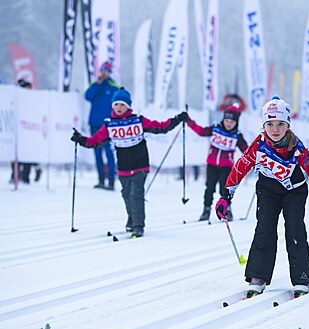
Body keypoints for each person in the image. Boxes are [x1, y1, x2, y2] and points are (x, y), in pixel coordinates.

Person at [215, 96, 309, 299]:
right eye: (269, 124)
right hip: (268, 189)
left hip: (294, 190)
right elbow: (240, 168)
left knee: (294, 229)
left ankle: (302, 278)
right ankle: (257, 277)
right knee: (264, 229)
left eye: (280, 124)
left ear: (287, 125)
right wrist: (226, 196)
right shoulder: (258, 145)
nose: (275, 129)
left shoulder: (296, 146)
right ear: (263, 125)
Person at [71, 88, 188, 237]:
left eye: (122, 105)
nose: (119, 108)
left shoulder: (138, 120)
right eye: (116, 104)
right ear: (112, 106)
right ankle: (132, 219)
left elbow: (160, 127)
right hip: (123, 168)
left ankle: (138, 225)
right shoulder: (110, 125)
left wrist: (177, 119)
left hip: (140, 165)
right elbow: (94, 141)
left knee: (135, 195)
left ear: (128, 106)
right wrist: (80, 139)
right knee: (126, 195)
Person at [186, 106, 248, 222]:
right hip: (212, 165)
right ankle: (206, 209)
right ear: (223, 120)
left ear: (236, 123)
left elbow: (246, 150)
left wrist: (259, 154)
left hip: (226, 166)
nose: (229, 124)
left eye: (232, 122)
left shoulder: (237, 135)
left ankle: (227, 209)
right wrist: (188, 121)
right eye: (227, 121)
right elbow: (201, 131)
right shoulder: (215, 129)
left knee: (224, 190)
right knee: (209, 188)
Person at [85, 62, 119, 190]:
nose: (103, 73)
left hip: (108, 125)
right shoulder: (95, 85)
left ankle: (111, 181)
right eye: (102, 70)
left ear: (109, 72)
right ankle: (100, 180)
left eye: (106, 71)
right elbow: (88, 96)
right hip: (94, 124)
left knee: (109, 153)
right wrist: (98, 84)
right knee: (97, 153)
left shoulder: (114, 87)